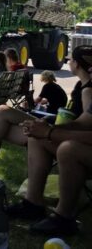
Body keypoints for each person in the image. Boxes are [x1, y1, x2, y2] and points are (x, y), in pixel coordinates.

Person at [5, 45, 92, 236]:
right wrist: (48, 129)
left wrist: (52, 133)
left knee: (68, 149)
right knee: (37, 138)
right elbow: (85, 121)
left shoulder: (87, 90)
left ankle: (63, 218)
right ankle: (33, 203)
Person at [0, 48, 90, 156]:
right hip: (57, 124)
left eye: (71, 59)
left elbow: (86, 123)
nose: (68, 62)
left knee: (0, 116)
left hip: (60, 131)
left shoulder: (87, 90)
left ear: (76, 64)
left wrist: (50, 128)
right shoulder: (80, 85)